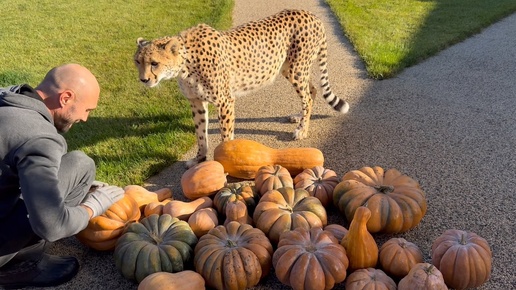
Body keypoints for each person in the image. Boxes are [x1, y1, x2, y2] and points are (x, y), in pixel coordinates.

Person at [0, 63, 125, 288]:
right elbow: (52, 225)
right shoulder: (39, 137)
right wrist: (94, 206)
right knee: (80, 165)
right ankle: (20, 265)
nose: (86, 119)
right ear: (65, 98)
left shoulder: (7, 97)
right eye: (87, 110)